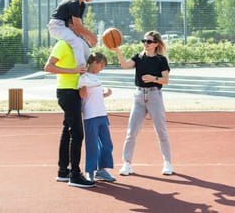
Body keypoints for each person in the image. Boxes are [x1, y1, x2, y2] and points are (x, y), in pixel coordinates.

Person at [109, 30, 173, 176]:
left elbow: (166, 80)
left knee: (161, 131)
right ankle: (127, 164)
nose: (146, 44)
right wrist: (118, 51)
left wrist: (153, 78)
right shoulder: (138, 57)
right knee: (131, 132)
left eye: (149, 41)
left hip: (154, 95)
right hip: (138, 96)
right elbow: (125, 66)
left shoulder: (161, 60)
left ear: (156, 44)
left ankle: (167, 163)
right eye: (144, 41)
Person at [44, 40, 95, 188]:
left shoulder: (79, 47)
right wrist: (73, 71)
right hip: (67, 92)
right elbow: (48, 67)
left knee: (68, 131)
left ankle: (63, 171)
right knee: (77, 133)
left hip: (74, 91)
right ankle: (74, 175)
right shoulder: (63, 44)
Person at [78, 52, 116, 182]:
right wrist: (82, 87)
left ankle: (102, 170)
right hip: (90, 116)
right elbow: (83, 96)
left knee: (107, 144)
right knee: (92, 145)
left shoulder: (95, 78)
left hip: (102, 115)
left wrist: (105, 94)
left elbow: (95, 96)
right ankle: (90, 171)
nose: (102, 69)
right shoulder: (83, 77)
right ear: (94, 62)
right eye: (102, 65)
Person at [47, 0, 98, 68]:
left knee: (84, 47)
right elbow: (77, 26)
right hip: (56, 26)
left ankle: (89, 71)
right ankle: (82, 72)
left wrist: (86, 38)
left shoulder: (81, 5)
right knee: (77, 43)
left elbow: (74, 26)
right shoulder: (73, 2)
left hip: (66, 26)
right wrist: (91, 36)